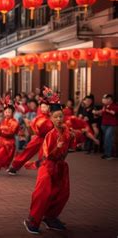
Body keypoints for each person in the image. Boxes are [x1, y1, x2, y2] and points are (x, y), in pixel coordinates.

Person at [24, 100, 72, 234]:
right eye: (55, 117)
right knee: (42, 193)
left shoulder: (66, 131)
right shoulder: (50, 135)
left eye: (61, 116)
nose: (58, 119)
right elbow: (48, 155)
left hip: (61, 167)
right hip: (48, 166)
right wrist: (57, 148)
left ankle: (50, 218)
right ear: (51, 117)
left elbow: (73, 144)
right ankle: (32, 220)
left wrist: (76, 136)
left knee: (62, 194)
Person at [8, 89, 54, 176]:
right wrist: (29, 125)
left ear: (49, 108)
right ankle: (15, 166)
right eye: (42, 107)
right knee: (27, 151)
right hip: (38, 138)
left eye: (45, 107)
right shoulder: (38, 117)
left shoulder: (52, 117)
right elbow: (32, 130)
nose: (43, 108)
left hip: (48, 139)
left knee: (45, 155)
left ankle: (45, 171)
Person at [0, 104, 20, 174]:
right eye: (6, 112)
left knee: (7, 157)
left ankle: (2, 167)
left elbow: (11, 132)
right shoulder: (4, 120)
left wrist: (0, 129)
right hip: (2, 141)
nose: (7, 113)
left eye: (9, 112)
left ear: (12, 113)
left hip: (9, 142)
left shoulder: (14, 122)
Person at [93, 94, 118, 159]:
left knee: (108, 138)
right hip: (104, 124)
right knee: (106, 139)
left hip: (111, 125)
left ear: (110, 99)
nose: (104, 100)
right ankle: (107, 153)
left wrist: (106, 110)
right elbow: (101, 113)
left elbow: (113, 113)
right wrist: (96, 112)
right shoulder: (104, 106)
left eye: (106, 98)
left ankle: (108, 154)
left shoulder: (115, 106)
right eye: (104, 98)